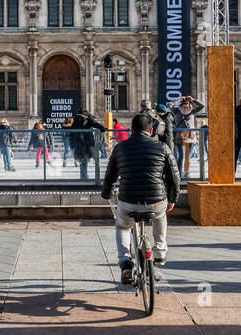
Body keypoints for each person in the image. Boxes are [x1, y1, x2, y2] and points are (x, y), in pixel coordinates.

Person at [100, 111, 181, 283]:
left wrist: (106, 193)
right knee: (160, 215)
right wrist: (172, 198)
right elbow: (174, 177)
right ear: (151, 130)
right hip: (156, 199)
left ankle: (126, 264)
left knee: (123, 227)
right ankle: (160, 253)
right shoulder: (162, 147)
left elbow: (110, 176)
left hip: (128, 200)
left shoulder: (120, 147)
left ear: (131, 130)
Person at [70, 110, 103, 179]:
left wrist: (72, 145)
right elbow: (98, 126)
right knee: (95, 160)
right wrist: (103, 129)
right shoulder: (88, 120)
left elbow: (71, 133)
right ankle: (96, 178)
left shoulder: (76, 120)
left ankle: (83, 178)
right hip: (88, 143)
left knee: (83, 161)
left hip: (79, 143)